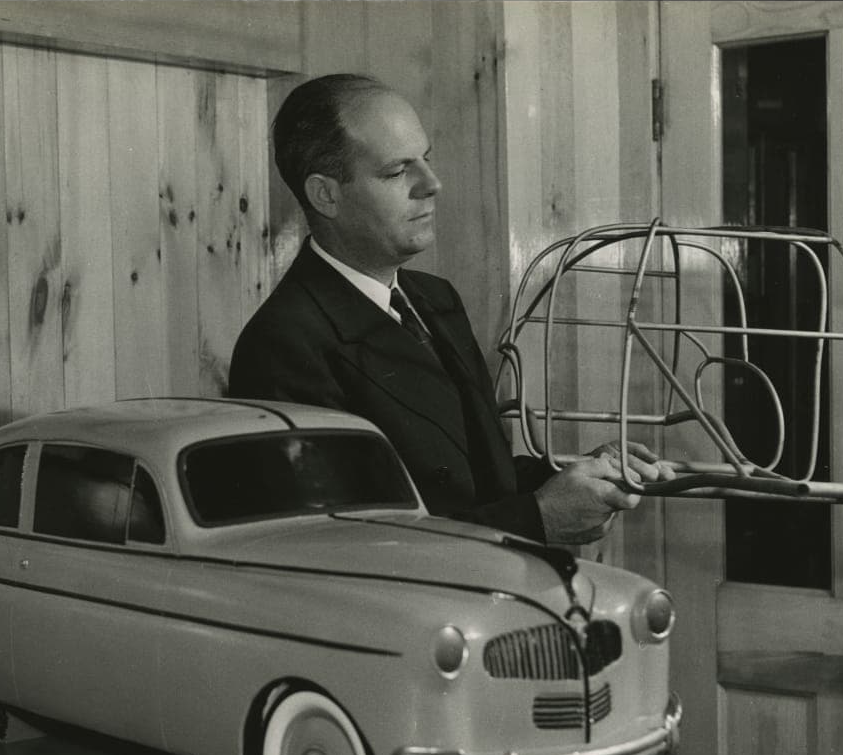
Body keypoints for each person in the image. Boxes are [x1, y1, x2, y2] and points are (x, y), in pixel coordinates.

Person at [228, 74, 670, 545]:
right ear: (326, 195)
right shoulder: (282, 345)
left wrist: (572, 476)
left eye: (427, 159)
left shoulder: (434, 299)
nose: (432, 184)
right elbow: (339, 545)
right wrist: (538, 518)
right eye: (398, 172)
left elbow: (471, 478)